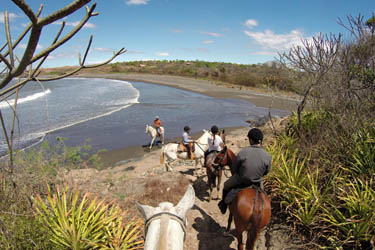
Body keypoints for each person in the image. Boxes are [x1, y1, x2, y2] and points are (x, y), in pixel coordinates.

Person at [218, 127, 271, 214]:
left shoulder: (243, 152)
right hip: (257, 181)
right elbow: (266, 171)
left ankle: (223, 205)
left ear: (251, 140)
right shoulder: (267, 155)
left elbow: (235, 168)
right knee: (264, 195)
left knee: (226, 185)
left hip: (242, 180)